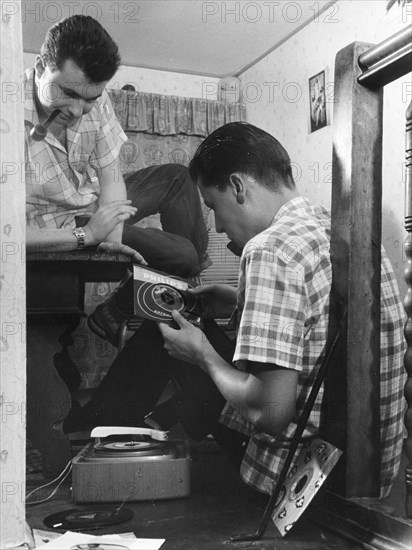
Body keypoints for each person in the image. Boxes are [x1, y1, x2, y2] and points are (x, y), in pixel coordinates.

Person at [66, 122, 405, 500]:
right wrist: (235, 299)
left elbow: (271, 414)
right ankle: (113, 429)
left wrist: (203, 354)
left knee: (161, 333)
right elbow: (326, 317)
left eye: (213, 206)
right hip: (368, 472)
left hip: (300, 484)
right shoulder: (340, 228)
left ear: (239, 187)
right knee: (182, 324)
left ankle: (94, 443)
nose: (217, 225)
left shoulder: (269, 248)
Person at [25, 14, 209, 339]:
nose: (78, 110)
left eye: (90, 99)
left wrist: (113, 240)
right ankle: (169, 289)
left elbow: (111, 177)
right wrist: (88, 237)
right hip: (55, 225)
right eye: (68, 92)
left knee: (178, 178)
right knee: (187, 258)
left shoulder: (97, 102)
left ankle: (121, 307)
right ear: (40, 67)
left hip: (92, 202)